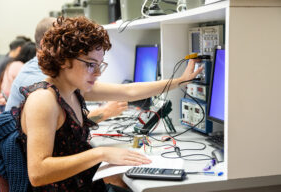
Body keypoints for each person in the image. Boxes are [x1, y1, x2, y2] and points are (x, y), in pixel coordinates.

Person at [11, 16, 203, 191]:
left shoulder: (73, 89)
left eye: (99, 64)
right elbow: (38, 174)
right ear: (63, 59)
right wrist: (100, 154)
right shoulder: (43, 100)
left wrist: (179, 82)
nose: (97, 73)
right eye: (89, 64)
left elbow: (129, 91)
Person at [5, 18, 128, 123]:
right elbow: (68, 126)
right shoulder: (39, 86)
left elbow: (125, 91)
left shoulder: (55, 76)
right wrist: (104, 112)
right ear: (46, 44)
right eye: (66, 42)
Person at [0, 42, 36, 111]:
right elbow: (30, 87)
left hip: (6, 102)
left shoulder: (15, 63)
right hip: (6, 106)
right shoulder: (20, 66)